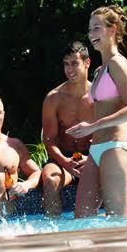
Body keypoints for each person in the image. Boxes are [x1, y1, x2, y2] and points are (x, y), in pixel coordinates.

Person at [66, 5, 127, 218]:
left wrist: (94, 126)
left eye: (97, 28)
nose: (91, 34)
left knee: (117, 222)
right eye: (89, 29)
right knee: (81, 222)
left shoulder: (118, 63)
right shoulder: (99, 70)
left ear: (112, 29)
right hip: (96, 151)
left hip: (116, 149)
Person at [41, 41, 94, 217]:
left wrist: (92, 157)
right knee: (50, 180)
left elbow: (111, 133)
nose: (69, 69)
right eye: (66, 64)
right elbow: (48, 140)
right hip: (63, 158)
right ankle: (53, 231)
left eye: (74, 63)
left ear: (87, 63)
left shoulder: (99, 95)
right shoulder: (54, 98)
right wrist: (65, 162)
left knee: (107, 178)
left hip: (93, 156)